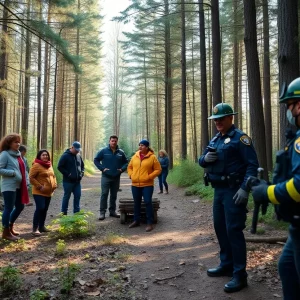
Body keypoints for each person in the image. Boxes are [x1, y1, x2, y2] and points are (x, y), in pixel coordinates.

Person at [199, 103, 259, 293]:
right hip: (218, 191)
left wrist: (244, 189)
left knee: (234, 231)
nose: (217, 122)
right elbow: (202, 159)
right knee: (220, 228)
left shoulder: (240, 139)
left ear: (230, 118)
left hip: (234, 191)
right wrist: (204, 159)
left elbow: (252, 165)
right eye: (215, 119)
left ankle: (240, 275)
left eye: (221, 119)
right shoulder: (216, 138)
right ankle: (226, 265)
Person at [251, 77, 300, 300]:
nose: (288, 111)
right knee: (287, 268)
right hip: (296, 226)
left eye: (289, 105)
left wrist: (267, 193)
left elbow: (299, 185)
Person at [127, 139, 161, 232]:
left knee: (147, 202)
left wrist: (149, 177)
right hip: (135, 184)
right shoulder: (135, 156)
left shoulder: (152, 157)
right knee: (136, 202)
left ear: (146, 147)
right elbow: (129, 167)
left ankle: (149, 223)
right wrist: (131, 175)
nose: (140, 147)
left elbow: (158, 169)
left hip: (147, 184)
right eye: (139, 145)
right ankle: (136, 220)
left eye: (142, 145)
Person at [0, 133, 29, 241]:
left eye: (18, 141)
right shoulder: (5, 154)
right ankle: (5, 232)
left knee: (20, 206)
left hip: (19, 186)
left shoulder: (18, 155)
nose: (18, 144)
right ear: (9, 143)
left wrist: (26, 181)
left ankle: (10, 226)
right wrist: (12, 173)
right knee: (8, 208)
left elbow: (24, 170)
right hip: (9, 186)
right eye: (15, 142)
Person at [94, 135, 128, 220]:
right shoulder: (104, 151)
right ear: (109, 141)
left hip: (116, 177)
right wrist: (102, 168)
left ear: (117, 142)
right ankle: (102, 212)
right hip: (106, 177)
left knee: (114, 195)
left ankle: (112, 211)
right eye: (112, 141)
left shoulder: (121, 152)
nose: (114, 142)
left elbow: (126, 162)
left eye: (115, 141)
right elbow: (96, 160)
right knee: (104, 194)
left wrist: (121, 169)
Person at [29, 149, 57, 236]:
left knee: (45, 209)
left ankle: (42, 227)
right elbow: (31, 177)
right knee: (40, 208)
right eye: (43, 155)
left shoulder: (49, 165)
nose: (45, 156)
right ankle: (35, 229)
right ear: (39, 156)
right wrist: (39, 186)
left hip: (49, 192)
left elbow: (53, 175)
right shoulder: (36, 165)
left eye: (46, 155)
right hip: (39, 192)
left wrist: (55, 184)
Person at [58, 141, 84, 215]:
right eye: (76, 150)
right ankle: (64, 213)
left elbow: (82, 166)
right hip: (68, 182)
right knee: (67, 197)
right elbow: (60, 167)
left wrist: (82, 173)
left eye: (78, 150)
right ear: (72, 147)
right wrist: (68, 174)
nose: (77, 151)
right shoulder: (65, 156)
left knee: (77, 196)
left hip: (77, 182)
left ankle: (76, 213)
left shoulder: (78, 156)